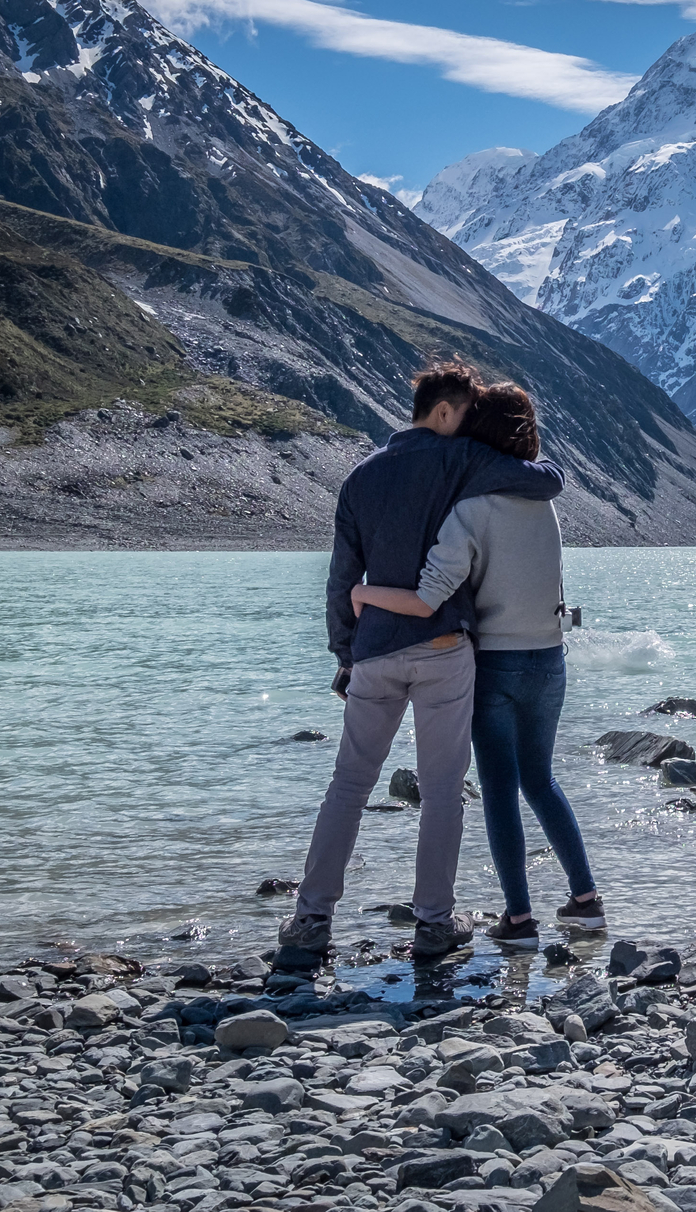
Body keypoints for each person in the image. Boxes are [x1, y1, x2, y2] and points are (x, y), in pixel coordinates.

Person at [280, 361, 565, 965]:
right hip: (442, 651)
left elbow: (341, 580)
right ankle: (434, 925)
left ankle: (311, 921)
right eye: (466, 414)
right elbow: (546, 481)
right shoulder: (458, 458)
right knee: (441, 792)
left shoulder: (359, 478)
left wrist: (344, 656)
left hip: (374, 651)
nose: (472, 426)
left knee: (348, 785)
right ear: (443, 412)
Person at [351, 382, 604, 946]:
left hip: (493, 665)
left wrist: (366, 596)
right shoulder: (541, 503)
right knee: (541, 780)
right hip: (548, 659)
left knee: (498, 789)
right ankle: (585, 900)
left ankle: (518, 918)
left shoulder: (469, 510)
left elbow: (426, 598)